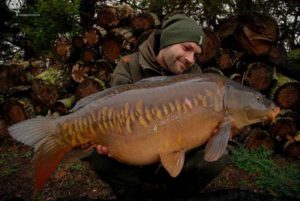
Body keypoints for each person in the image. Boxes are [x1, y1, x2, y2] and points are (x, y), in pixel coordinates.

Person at [83, 14, 232, 201]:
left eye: (196, 54)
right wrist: (107, 139)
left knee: (219, 157)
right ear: (168, 41)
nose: (190, 59)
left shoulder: (195, 76)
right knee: (100, 158)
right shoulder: (129, 65)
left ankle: (173, 194)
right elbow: (114, 114)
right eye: (186, 48)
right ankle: (134, 194)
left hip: (176, 148)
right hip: (134, 148)